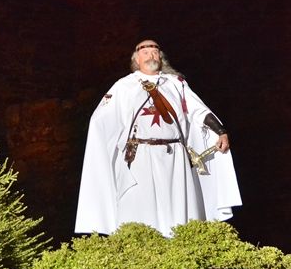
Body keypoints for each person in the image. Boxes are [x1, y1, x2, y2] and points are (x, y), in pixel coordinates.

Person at [75, 39, 242, 237]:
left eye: (154, 51)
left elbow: (198, 110)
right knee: (141, 209)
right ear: (136, 59)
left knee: (179, 210)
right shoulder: (123, 86)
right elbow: (101, 119)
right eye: (145, 51)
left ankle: (180, 246)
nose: (150, 55)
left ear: (160, 57)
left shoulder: (176, 83)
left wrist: (220, 131)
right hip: (140, 156)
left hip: (175, 156)